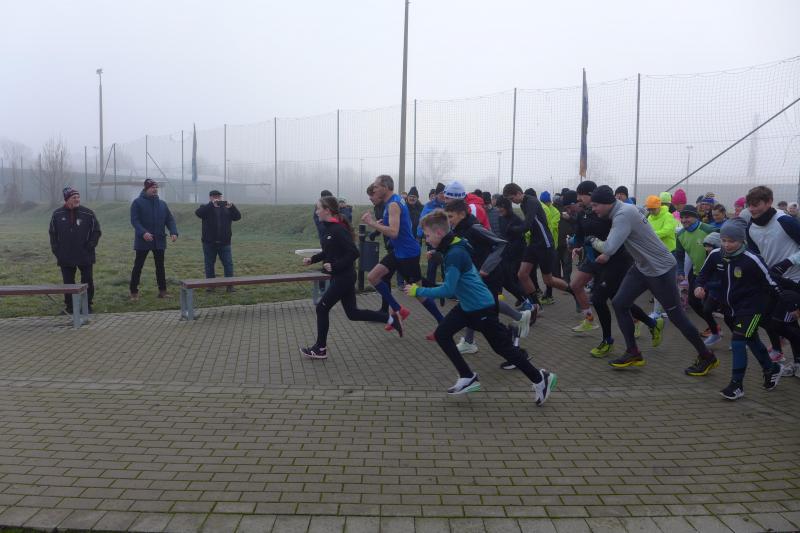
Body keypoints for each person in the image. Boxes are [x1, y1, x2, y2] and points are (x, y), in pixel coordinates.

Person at [403, 210, 557, 404]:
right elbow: (459, 263)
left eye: (427, 235)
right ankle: (467, 376)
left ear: (439, 233)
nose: (426, 239)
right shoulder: (452, 245)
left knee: (503, 348)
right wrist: (438, 255)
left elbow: (449, 289)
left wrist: (418, 290)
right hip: (468, 306)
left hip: (481, 308)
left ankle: (541, 378)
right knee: (442, 334)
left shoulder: (455, 252)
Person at [588, 185, 719, 375]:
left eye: (595, 205)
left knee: (677, 317)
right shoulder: (626, 208)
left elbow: (609, 248)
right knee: (619, 303)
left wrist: (591, 240)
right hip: (642, 266)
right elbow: (640, 215)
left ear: (607, 203)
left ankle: (707, 357)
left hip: (661, 269)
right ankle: (633, 352)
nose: (593, 209)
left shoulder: (623, 214)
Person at [694, 218, 784, 399]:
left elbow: (772, 283)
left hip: (752, 308)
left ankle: (737, 385)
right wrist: (699, 286)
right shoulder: (716, 255)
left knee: (738, 341)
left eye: (732, 241)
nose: (727, 245)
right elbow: (702, 275)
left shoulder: (752, 259)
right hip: (731, 308)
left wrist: (785, 307)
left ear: (742, 240)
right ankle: (771, 368)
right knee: (751, 339)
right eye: (724, 240)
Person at [300, 196, 398, 359]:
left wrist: (335, 266)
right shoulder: (329, 228)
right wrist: (312, 259)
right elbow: (329, 251)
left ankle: (320, 348)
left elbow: (354, 252)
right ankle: (390, 319)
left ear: (327, 210)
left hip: (344, 277)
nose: (316, 212)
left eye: (318, 208)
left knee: (322, 308)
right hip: (341, 277)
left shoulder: (338, 229)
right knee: (353, 313)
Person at [444, 200, 531, 357]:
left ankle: (515, 346)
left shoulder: (475, 228)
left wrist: (486, 268)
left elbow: (501, 244)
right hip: (475, 275)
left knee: (486, 313)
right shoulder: (458, 229)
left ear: (462, 214)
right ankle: (471, 342)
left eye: (450, 216)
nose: (448, 220)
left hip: (490, 274)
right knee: (474, 306)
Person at [361, 174, 445, 331]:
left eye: (376, 186)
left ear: (385, 187)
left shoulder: (393, 204)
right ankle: (399, 309)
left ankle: (443, 322)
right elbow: (398, 224)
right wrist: (381, 223)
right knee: (373, 276)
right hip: (398, 252)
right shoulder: (393, 201)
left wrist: (372, 223)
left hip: (408, 254)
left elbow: (394, 232)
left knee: (417, 292)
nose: (374, 189)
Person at [745, 185, 800, 366]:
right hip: (772, 281)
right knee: (764, 318)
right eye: (749, 205)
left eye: (756, 205)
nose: (752, 209)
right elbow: (756, 256)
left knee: (782, 323)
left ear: (769, 202)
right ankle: (786, 356)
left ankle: (797, 362)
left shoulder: (785, 221)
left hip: (794, 280)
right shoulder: (751, 227)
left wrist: (788, 262)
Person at [502, 183, 573, 319]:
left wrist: (512, 229)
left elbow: (527, 225)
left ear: (519, 193)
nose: (512, 202)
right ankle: (537, 306)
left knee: (548, 280)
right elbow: (529, 226)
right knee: (522, 274)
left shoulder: (531, 202)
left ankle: (574, 291)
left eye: (512, 198)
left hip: (545, 244)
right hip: (534, 243)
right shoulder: (523, 204)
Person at [49, 187, 102, 313]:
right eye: (74, 197)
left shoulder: (88, 213)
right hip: (65, 255)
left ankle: (87, 306)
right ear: (67, 199)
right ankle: (70, 307)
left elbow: (96, 231)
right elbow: (52, 233)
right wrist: (57, 250)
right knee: (68, 282)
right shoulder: (57, 214)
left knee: (87, 280)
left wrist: (90, 245)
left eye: (78, 197)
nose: (77, 199)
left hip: (85, 254)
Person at [675, 206, 722, 344]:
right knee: (694, 303)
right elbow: (679, 255)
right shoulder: (680, 234)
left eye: (687, 217)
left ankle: (742, 337)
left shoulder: (708, 229)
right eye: (682, 217)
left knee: (718, 308)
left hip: (715, 275)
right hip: (697, 274)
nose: (684, 220)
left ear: (696, 217)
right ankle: (715, 329)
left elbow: (726, 244)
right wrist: (680, 271)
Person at [129, 179, 178, 300]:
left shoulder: (162, 204)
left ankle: (163, 292)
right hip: (143, 240)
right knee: (138, 266)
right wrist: (143, 232)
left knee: (160, 267)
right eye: (152, 187)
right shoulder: (137, 203)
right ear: (146, 189)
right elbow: (135, 221)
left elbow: (169, 219)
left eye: (156, 187)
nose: (155, 189)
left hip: (159, 240)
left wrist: (173, 232)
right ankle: (133, 292)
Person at [195, 190, 241, 290]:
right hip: (209, 243)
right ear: (210, 197)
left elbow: (238, 217)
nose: (217, 198)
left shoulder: (227, 208)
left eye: (219, 197)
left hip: (225, 243)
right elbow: (198, 213)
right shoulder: (205, 207)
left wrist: (232, 207)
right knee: (209, 265)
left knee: (228, 264)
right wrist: (211, 205)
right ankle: (211, 286)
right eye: (215, 196)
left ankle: (230, 285)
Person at [646, 194, 679, 319]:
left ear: (659, 206)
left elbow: (667, 230)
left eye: (653, 209)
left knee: (670, 285)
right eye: (649, 209)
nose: (651, 212)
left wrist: (650, 235)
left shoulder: (668, 216)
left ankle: (674, 310)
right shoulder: (650, 217)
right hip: (656, 254)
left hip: (669, 253)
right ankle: (657, 312)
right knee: (657, 284)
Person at [539, 191, 561, 305]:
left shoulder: (555, 211)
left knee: (548, 271)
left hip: (551, 245)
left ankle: (549, 295)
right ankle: (546, 294)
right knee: (546, 271)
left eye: (546, 202)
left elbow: (551, 227)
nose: (545, 204)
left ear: (550, 201)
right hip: (542, 244)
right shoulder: (541, 209)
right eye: (543, 202)